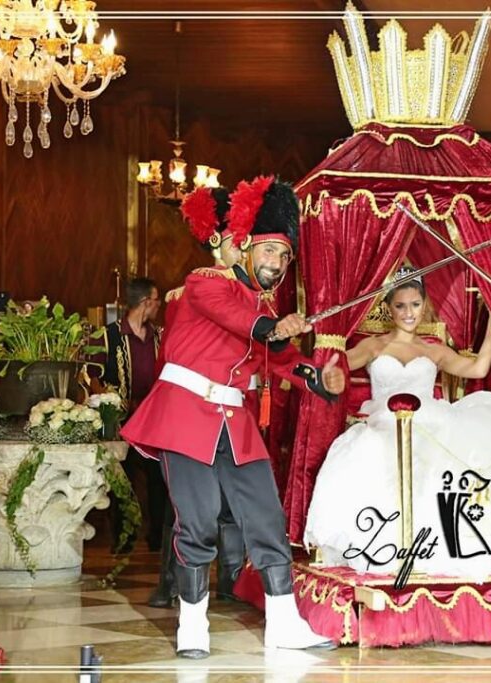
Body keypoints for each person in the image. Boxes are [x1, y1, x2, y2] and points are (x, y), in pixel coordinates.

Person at [121, 175, 346, 657]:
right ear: (244, 248)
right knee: (197, 524)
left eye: (285, 257)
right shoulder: (205, 284)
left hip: (234, 421)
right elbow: (243, 323)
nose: (278, 264)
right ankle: (193, 626)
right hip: (185, 418)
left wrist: (316, 378)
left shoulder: (259, 305)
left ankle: (285, 623)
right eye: (269, 252)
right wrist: (274, 327)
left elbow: (278, 358)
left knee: (267, 518)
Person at [304, 269, 491, 579]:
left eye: (415, 305)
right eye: (401, 306)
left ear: (424, 305)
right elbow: (336, 367)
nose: (409, 313)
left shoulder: (433, 349)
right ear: (389, 308)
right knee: (369, 453)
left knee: (484, 437)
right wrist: (330, 375)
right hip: (386, 422)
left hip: (432, 422)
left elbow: (477, 368)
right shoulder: (373, 346)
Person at [146, 186, 252, 609]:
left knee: (233, 501)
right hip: (192, 408)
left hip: (236, 407)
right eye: (236, 242)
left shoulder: (255, 291)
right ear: (215, 242)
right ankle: (170, 582)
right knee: (185, 505)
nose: (243, 250)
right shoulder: (192, 290)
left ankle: (229, 580)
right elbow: (172, 354)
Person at [99, 277, 163, 551]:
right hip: (122, 421)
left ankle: (158, 538)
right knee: (121, 480)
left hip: (154, 419)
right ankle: (123, 540)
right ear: (146, 303)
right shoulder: (108, 335)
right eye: (156, 300)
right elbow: (90, 377)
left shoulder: (160, 335)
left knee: (158, 480)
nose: (159, 305)